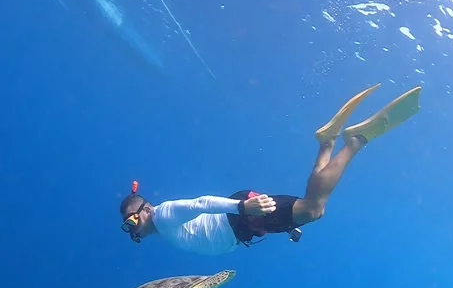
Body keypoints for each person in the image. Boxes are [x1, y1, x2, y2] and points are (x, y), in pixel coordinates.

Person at [119, 84, 421, 256]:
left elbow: (201, 204)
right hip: (245, 223)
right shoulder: (164, 226)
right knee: (310, 209)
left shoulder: (164, 214)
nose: (133, 231)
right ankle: (326, 143)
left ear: (144, 210)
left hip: (243, 217)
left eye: (131, 223)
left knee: (314, 208)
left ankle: (356, 140)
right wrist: (286, 224)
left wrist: (243, 206)